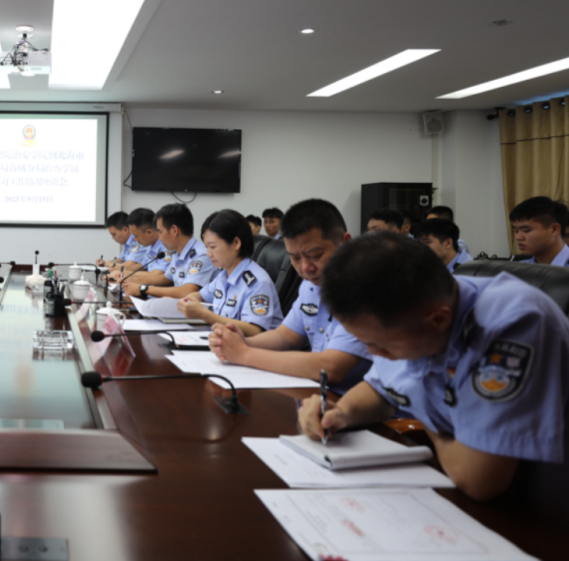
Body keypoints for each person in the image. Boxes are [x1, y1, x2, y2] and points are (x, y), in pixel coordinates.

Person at [298, 232, 569, 502]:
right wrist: (340, 413)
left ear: (439, 320)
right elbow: (381, 389)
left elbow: (477, 480)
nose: (372, 353)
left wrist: (426, 416)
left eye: (380, 344)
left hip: (540, 504)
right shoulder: (409, 311)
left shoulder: (514, 324)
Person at [209, 199, 372, 393]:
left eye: (315, 255)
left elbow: (331, 367)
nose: (305, 268)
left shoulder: (365, 289)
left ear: (345, 242)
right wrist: (241, 342)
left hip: (355, 401)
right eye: (294, 258)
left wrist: (244, 354)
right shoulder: (310, 285)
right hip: (317, 392)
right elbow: (286, 336)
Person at [176, 209, 282, 335]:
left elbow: (254, 331)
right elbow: (201, 295)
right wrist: (185, 302)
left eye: (213, 247)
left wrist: (205, 314)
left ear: (236, 243)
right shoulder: (224, 274)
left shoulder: (258, 282)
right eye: (207, 247)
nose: (208, 254)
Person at [121, 203, 214, 299]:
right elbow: (165, 279)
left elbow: (187, 291)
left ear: (174, 230)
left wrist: (143, 289)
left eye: (160, 232)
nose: (160, 238)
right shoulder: (177, 252)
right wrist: (130, 279)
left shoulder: (201, 255)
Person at [109, 207, 168, 280]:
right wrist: (120, 269)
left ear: (149, 232)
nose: (135, 239)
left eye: (136, 235)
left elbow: (157, 275)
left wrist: (123, 273)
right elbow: (143, 267)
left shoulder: (167, 246)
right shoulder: (150, 245)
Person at [510, 196, 569, 266]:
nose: (518, 237)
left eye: (526, 230)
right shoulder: (516, 268)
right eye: (516, 231)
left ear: (554, 229)